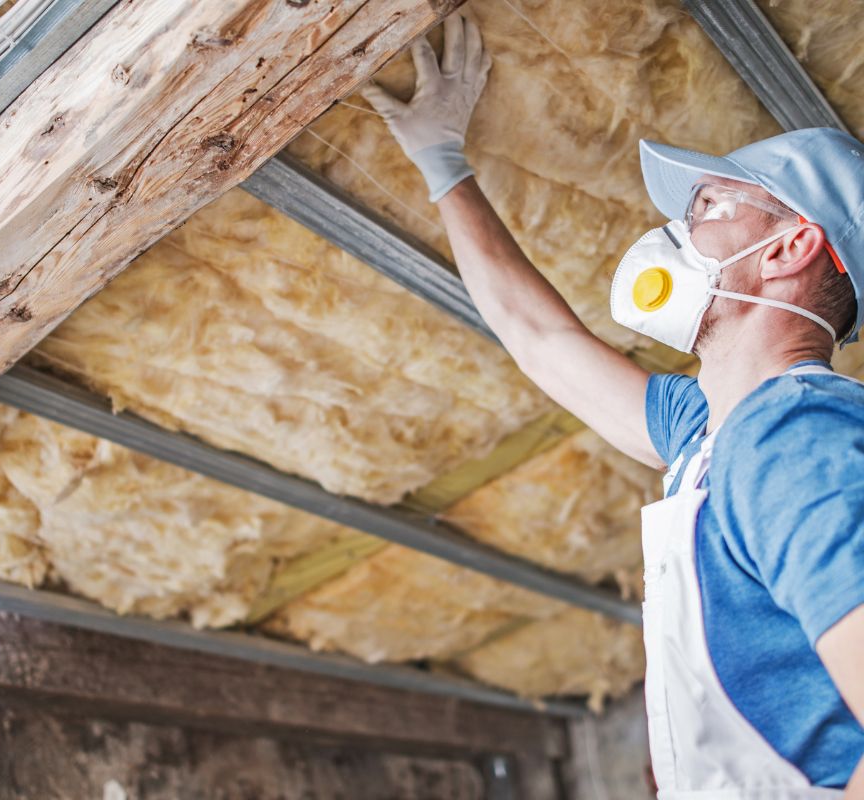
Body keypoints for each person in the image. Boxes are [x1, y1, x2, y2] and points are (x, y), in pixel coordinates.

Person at [362, 13, 864, 797]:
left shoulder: (793, 438)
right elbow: (540, 339)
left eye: (707, 210)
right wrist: (441, 163)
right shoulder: (710, 437)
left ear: (789, 249)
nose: (675, 234)